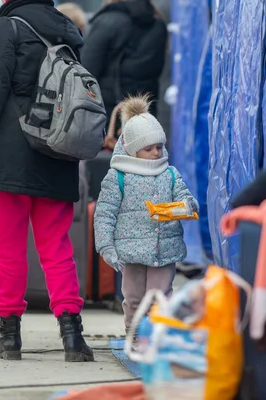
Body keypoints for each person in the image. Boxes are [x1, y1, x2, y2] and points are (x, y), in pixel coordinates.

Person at [0, 0, 94, 362]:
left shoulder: (9, 28)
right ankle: (72, 337)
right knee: (57, 248)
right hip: (57, 153)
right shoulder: (69, 32)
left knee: (7, 249)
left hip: (9, 158)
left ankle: (10, 337)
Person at [94, 95, 198, 335]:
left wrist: (188, 205)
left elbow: (185, 197)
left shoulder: (169, 174)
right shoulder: (118, 177)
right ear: (132, 150)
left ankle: (158, 337)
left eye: (159, 147)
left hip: (165, 251)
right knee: (133, 298)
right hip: (131, 254)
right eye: (148, 148)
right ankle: (134, 333)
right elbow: (105, 214)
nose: (155, 153)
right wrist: (106, 246)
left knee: (161, 297)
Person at [81, 0, 168, 147]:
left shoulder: (107, 21)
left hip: (109, 119)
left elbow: (85, 72)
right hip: (145, 116)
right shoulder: (158, 24)